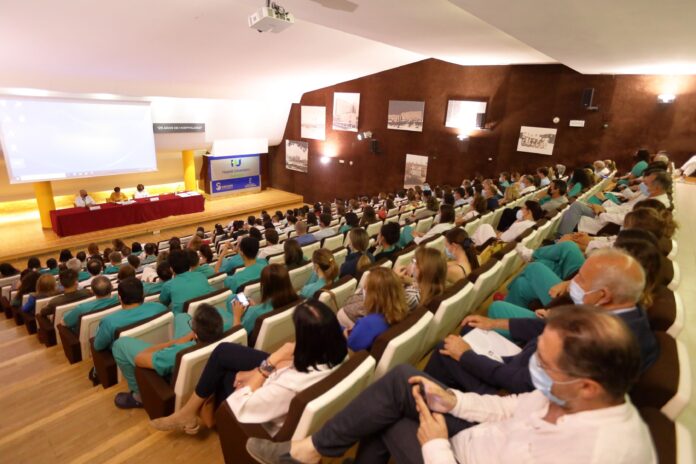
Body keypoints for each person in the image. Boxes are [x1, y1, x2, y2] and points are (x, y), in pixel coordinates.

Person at [276, 306, 655, 464]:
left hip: (455, 456)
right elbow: (510, 407)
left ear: (587, 385)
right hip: (478, 434)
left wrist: (436, 444)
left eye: (544, 362)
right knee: (401, 380)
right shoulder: (574, 392)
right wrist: (453, 400)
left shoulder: (596, 452)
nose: (533, 364)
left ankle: (309, 451)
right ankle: (312, 448)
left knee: (386, 415)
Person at [150, 300, 347, 434]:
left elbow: (241, 406)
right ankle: (190, 412)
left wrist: (267, 366)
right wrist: (258, 370)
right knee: (223, 352)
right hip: (281, 375)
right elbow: (292, 366)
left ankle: (194, 415)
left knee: (226, 373)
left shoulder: (289, 385)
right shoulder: (338, 352)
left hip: (259, 416)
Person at [482, 249, 659, 376]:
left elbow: (522, 382)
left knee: (487, 317)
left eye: (580, 278)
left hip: (523, 381)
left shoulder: (598, 344)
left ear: (603, 295)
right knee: (517, 291)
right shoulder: (632, 313)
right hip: (533, 362)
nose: (572, 282)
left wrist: (467, 356)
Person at [112, 303, 224, 409]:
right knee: (182, 316)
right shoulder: (227, 344)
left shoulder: (175, 353)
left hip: (170, 369)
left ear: (196, 334)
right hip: (197, 350)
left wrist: (173, 343)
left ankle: (139, 396)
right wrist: (188, 337)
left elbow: (139, 359)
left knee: (119, 345)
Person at [337, 267, 409, 344]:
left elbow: (352, 346)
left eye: (365, 288)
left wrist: (343, 330)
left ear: (374, 296)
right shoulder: (404, 311)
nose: (363, 290)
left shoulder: (367, 323)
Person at [93, 278, 168, 352]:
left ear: (119, 298)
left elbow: (98, 346)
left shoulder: (109, 322)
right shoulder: (160, 307)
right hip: (159, 349)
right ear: (143, 294)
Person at [229, 264, 299, 335]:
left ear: (265, 286)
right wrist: (257, 307)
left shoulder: (255, 313)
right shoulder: (300, 301)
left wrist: (237, 316)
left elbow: (238, 336)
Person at [159, 250, 213, 314]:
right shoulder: (201, 275)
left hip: (183, 320)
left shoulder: (168, 285)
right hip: (206, 313)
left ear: (171, 269)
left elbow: (162, 304)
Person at [396, 246, 447, 311]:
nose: (412, 264)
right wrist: (411, 281)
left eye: (414, 262)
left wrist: (394, 280)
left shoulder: (411, 297)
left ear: (422, 270)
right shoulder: (436, 287)